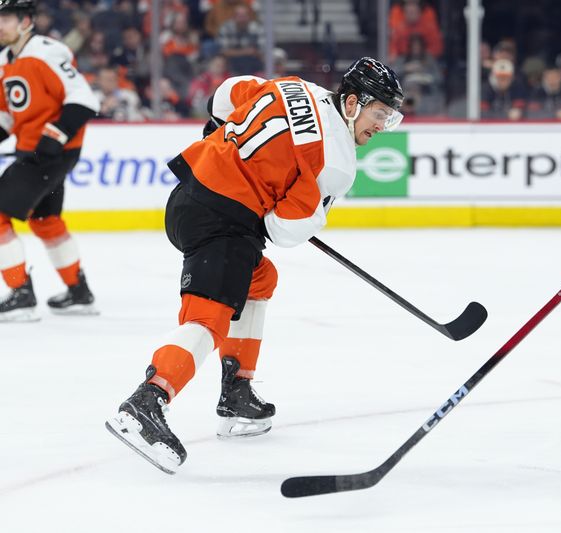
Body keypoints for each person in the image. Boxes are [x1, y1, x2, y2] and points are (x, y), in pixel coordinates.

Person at [105, 57, 404, 474]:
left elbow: (225, 94)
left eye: (389, 117)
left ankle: (237, 392)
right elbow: (284, 230)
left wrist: (223, 140)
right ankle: (147, 401)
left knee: (260, 279)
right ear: (352, 104)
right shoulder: (336, 163)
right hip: (223, 222)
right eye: (379, 114)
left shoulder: (295, 86)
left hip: (188, 194)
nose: (382, 126)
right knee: (208, 318)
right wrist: (273, 201)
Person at [0, 0, 100, 321]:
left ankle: (21, 295)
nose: (0, 25)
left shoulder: (46, 52)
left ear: (26, 21)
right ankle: (78, 293)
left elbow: (84, 99)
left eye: (6, 18)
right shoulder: (4, 61)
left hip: (52, 152)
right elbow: (7, 116)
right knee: (45, 220)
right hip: (34, 150)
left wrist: (55, 136)